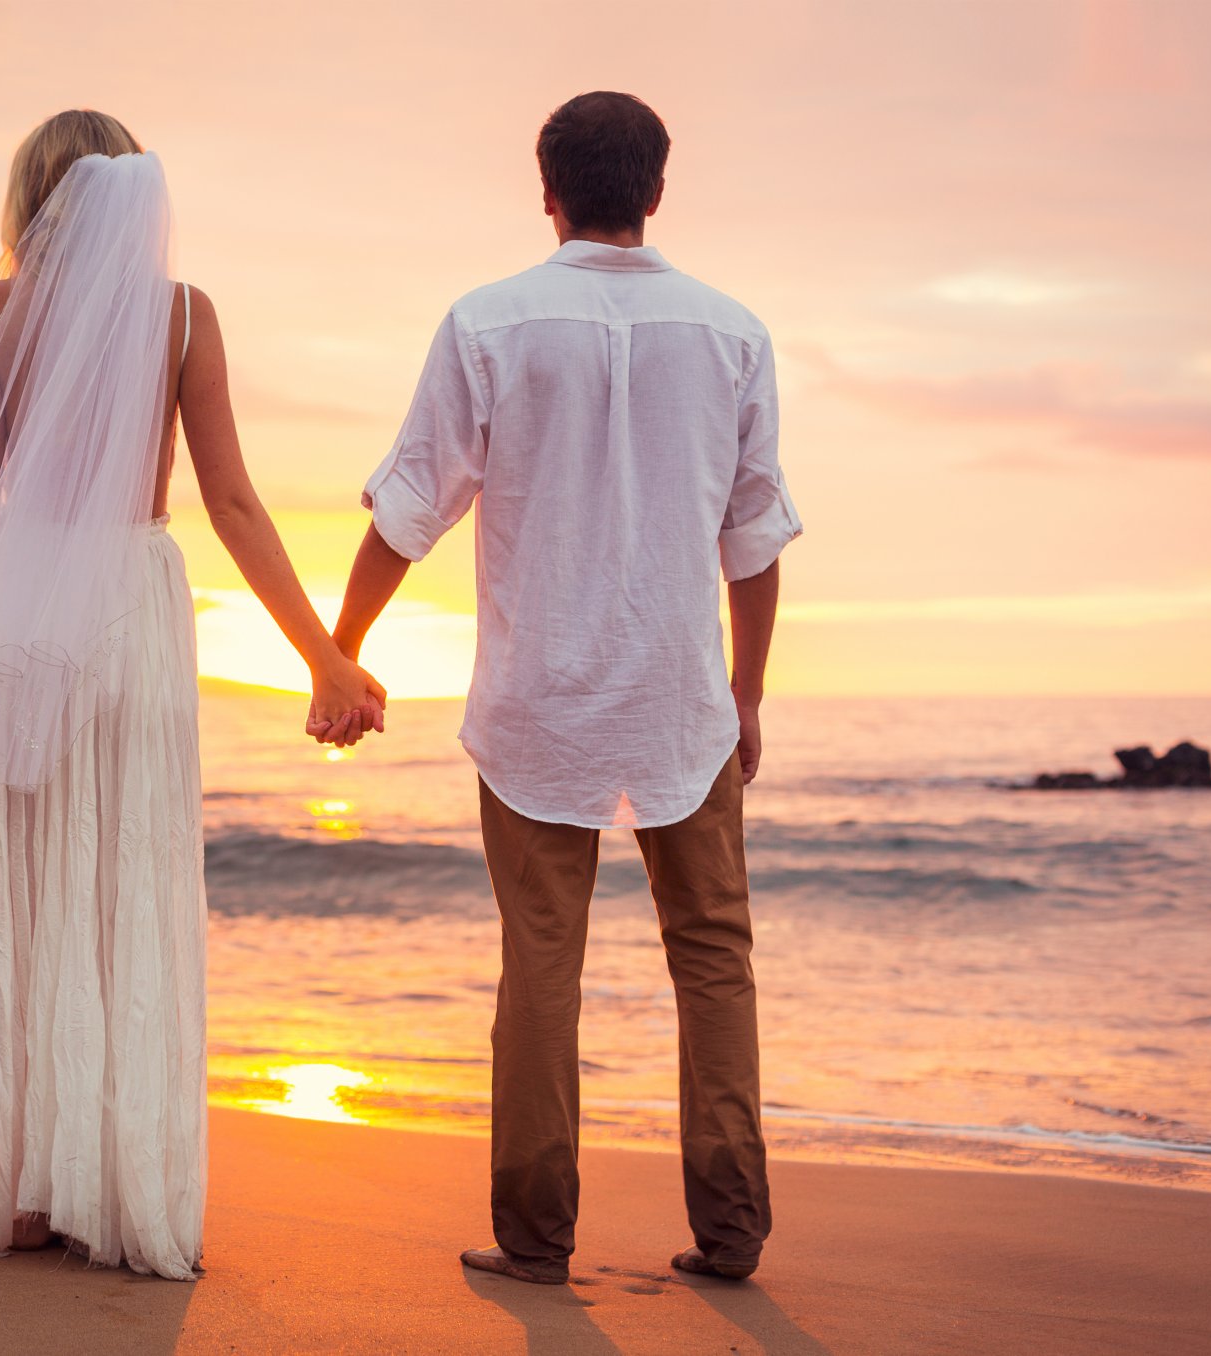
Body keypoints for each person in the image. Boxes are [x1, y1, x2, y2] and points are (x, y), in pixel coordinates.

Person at [0, 109, 384, 1281]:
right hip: (131, 612)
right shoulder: (182, 314)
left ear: (32, 197)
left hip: (15, 605)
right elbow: (236, 503)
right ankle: (107, 1186)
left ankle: (15, 1197)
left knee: (21, 880)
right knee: (117, 885)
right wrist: (324, 656)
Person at [318, 90, 800, 1285]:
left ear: (547, 191)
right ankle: (732, 1230)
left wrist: (342, 647)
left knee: (541, 963)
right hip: (680, 700)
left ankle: (536, 1237)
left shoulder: (490, 323)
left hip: (542, 704)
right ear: (657, 189)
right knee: (715, 955)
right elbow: (756, 538)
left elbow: (409, 509)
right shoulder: (733, 333)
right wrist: (748, 692)